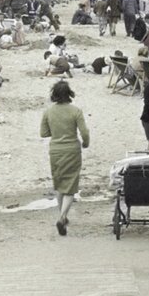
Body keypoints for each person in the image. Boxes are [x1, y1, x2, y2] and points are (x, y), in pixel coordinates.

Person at [39, 80, 89, 236]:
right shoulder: (76, 111)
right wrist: (85, 143)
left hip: (55, 151)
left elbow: (43, 133)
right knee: (71, 185)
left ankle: (63, 216)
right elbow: (84, 132)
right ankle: (62, 217)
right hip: (72, 150)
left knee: (60, 184)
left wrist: (57, 132)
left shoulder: (48, 112)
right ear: (69, 93)